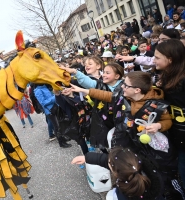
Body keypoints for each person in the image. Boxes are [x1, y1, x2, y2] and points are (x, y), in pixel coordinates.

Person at [69, 71, 182, 198]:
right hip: (129, 142)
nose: (122, 87)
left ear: (137, 90)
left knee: (153, 173)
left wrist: (158, 126)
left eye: (125, 85)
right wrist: (82, 90)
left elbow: (167, 121)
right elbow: (107, 95)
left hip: (150, 149)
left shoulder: (157, 104)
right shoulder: (125, 97)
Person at [61, 61, 124, 148]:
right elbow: (88, 82)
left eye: (108, 73)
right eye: (104, 72)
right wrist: (75, 72)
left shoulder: (124, 87)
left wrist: (82, 90)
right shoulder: (100, 84)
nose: (104, 75)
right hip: (105, 121)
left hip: (121, 122)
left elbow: (112, 97)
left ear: (117, 76)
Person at [71, 147, 163, 199]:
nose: (107, 161)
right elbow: (113, 162)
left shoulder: (125, 197)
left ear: (117, 174)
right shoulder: (136, 166)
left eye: (109, 164)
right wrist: (87, 158)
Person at [153, 39, 185, 189]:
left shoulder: (183, 80)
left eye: (158, 57)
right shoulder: (165, 77)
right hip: (177, 134)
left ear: (170, 59)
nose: (154, 60)